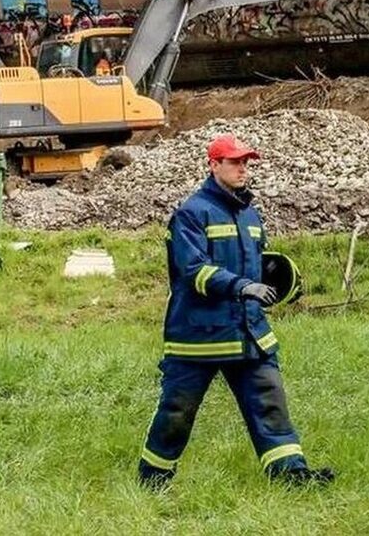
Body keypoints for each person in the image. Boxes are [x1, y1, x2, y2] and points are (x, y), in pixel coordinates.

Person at [138, 134, 333, 489]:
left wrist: (279, 280)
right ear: (214, 166)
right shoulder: (190, 214)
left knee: (270, 404)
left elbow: (259, 265)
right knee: (176, 413)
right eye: (234, 162)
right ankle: (153, 479)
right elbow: (193, 271)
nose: (243, 168)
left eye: (246, 162)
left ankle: (291, 474)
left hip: (248, 333)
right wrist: (242, 286)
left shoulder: (251, 215)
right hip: (198, 337)